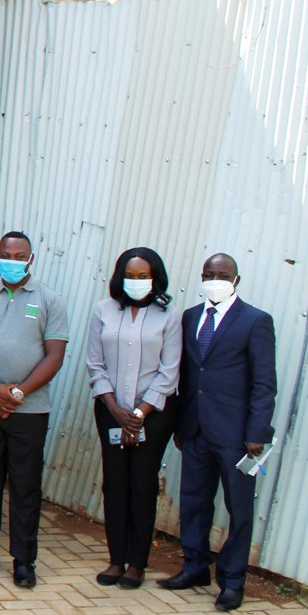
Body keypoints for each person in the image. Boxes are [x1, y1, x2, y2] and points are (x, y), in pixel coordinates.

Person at [160, 253, 276, 613]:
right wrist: (180, 425)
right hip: (195, 429)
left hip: (237, 436)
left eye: (222, 275)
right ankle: (195, 567)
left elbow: (264, 383)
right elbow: (186, 377)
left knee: (238, 510)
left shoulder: (255, 321)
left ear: (236, 280)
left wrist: (257, 432)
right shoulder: (191, 317)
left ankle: (232, 581)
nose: (215, 279)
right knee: (194, 502)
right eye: (209, 274)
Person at [0, 231, 69, 589]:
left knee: (24, 486)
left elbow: (55, 355)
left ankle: (24, 559)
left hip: (30, 409)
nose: (11, 260)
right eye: (5, 254)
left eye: (19, 255)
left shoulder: (50, 300)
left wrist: (17, 393)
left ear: (31, 259)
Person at [86, 247, 180, 590]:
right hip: (111, 411)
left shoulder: (169, 316)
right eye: (130, 276)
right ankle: (115, 558)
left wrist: (139, 414)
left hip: (152, 416)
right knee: (114, 483)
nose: (136, 282)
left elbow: (169, 373)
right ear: (119, 276)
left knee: (142, 484)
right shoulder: (103, 310)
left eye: (143, 277)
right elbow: (95, 364)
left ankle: (137, 563)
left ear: (155, 279)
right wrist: (115, 409)